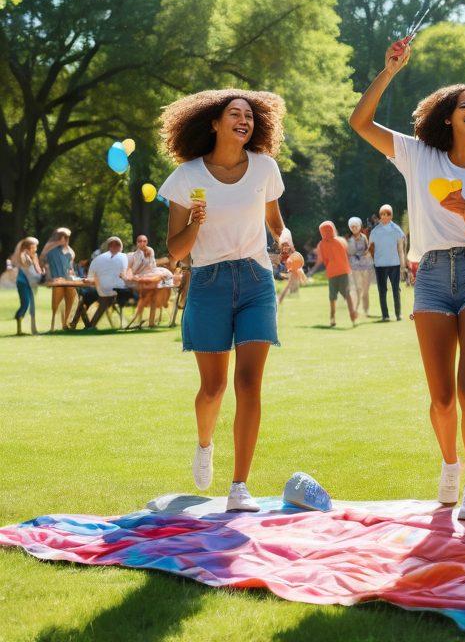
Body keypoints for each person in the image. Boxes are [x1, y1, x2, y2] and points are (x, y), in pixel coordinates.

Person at [350, 38, 465, 521]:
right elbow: (359, 123)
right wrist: (390, 72)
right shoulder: (419, 155)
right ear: (448, 116)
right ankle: (449, 463)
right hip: (431, 277)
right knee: (441, 397)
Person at [158, 88, 290, 513]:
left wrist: (288, 246)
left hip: (255, 280)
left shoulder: (265, 167)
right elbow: (176, 252)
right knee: (213, 388)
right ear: (214, 123)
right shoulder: (186, 177)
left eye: (249, 115)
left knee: (249, 384)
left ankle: (239, 486)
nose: (244, 120)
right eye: (235, 114)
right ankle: (204, 443)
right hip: (209, 282)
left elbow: (276, 224)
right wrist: (195, 224)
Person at [69, 237, 132, 330]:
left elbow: (125, 276)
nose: (114, 247)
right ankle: (76, 323)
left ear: (120, 247)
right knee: (85, 297)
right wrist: (90, 280)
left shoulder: (124, 259)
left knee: (105, 299)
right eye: (111, 245)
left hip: (116, 291)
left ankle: (91, 325)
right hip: (100, 288)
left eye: (116, 245)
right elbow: (95, 277)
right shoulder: (102, 259)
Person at [311, 220, 358, 328]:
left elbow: (322, 260)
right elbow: (348, 253)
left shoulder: (321, 244)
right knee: (347, 295)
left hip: (332, 273)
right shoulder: (341, 240)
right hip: (344, 271)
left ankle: (332, 318)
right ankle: (352, 315)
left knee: (332, 297)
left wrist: (312, 271)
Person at [369, 204, 406, 322]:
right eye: (382, 214)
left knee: (396, 289)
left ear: (391, 216)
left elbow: (401, 249)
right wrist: (373, 261)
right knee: (382, 290)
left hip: (394, 264)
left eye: (387, 214)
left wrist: (403, 266)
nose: (385, 216)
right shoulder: (375, 231)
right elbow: (371, 249)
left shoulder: (397, 230)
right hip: (380, 265)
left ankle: (398, 314)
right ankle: (385, 315)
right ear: (380, 216)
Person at [41, 228, 78, 331]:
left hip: (68, 281)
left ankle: (65, 324)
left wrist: (72, 274)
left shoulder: (70, 252)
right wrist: (49, 277)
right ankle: (53, 326)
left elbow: (70, 268)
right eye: (63, 237)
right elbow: (44, 264)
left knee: (71, 300)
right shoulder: (50, 251)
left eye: (67, 238)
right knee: (56, 304)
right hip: (57, 281)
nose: (65, 240)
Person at [12, 237, 43, 336]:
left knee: (32, 306)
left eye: (36, 247)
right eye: (34, 247)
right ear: (27, 248)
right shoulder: (23, 255)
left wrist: (40, 270)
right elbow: (26, 266)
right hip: (23, 283)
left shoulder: (34, 255)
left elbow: (38, 270)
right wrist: (33, 259)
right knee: (25, 304)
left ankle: (34, 330)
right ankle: (19, 329)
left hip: (31, 283)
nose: (35, 249)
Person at [346, 217, 375, 319]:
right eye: (352, 226)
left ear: (359, 227)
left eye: (356, 226)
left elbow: (367, 250)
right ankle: (356, 310)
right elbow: (349, 253)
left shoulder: (364, 237)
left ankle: (366, 311)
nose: (354, 228)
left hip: (366, 267)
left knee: (365, 290)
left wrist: (367, 253)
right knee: (358, 289)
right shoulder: (350, 240)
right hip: (355, 268)